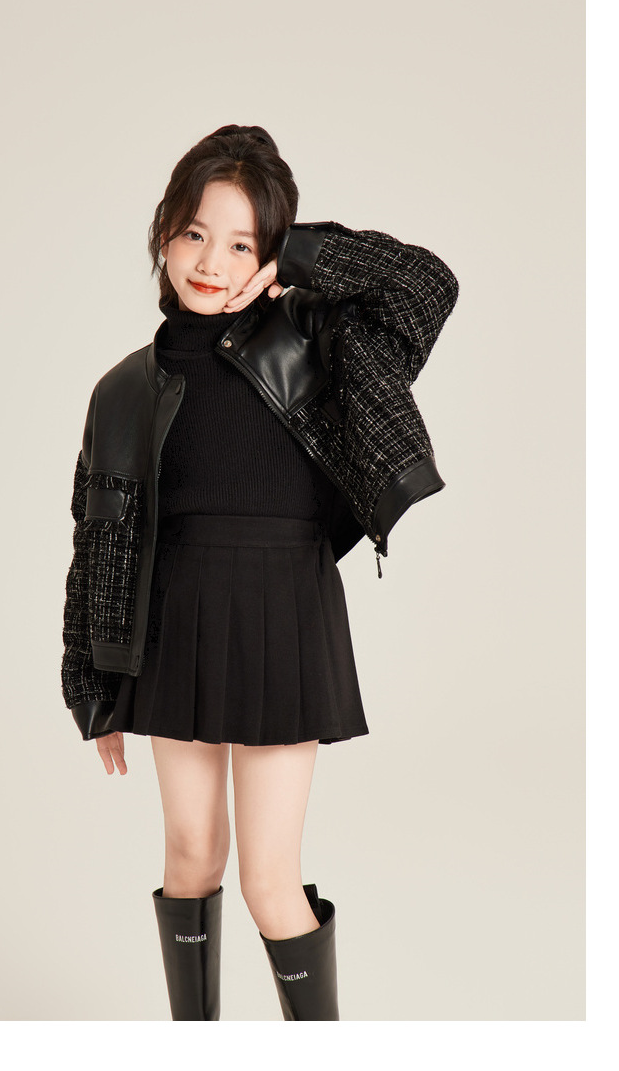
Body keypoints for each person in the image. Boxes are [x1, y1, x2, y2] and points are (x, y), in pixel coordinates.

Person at [61, 124, 459, 1021]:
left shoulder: (314, 338)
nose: (211, 262)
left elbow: (427, 285)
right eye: (194, 234)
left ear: (270, 251)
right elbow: (98, 536)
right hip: (175, 618)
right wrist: (92, 677)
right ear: (164, 234)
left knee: (269, 880)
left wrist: (302, 256)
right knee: (190, 856)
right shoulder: (122, 388)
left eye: (242, 243)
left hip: (284, 605)